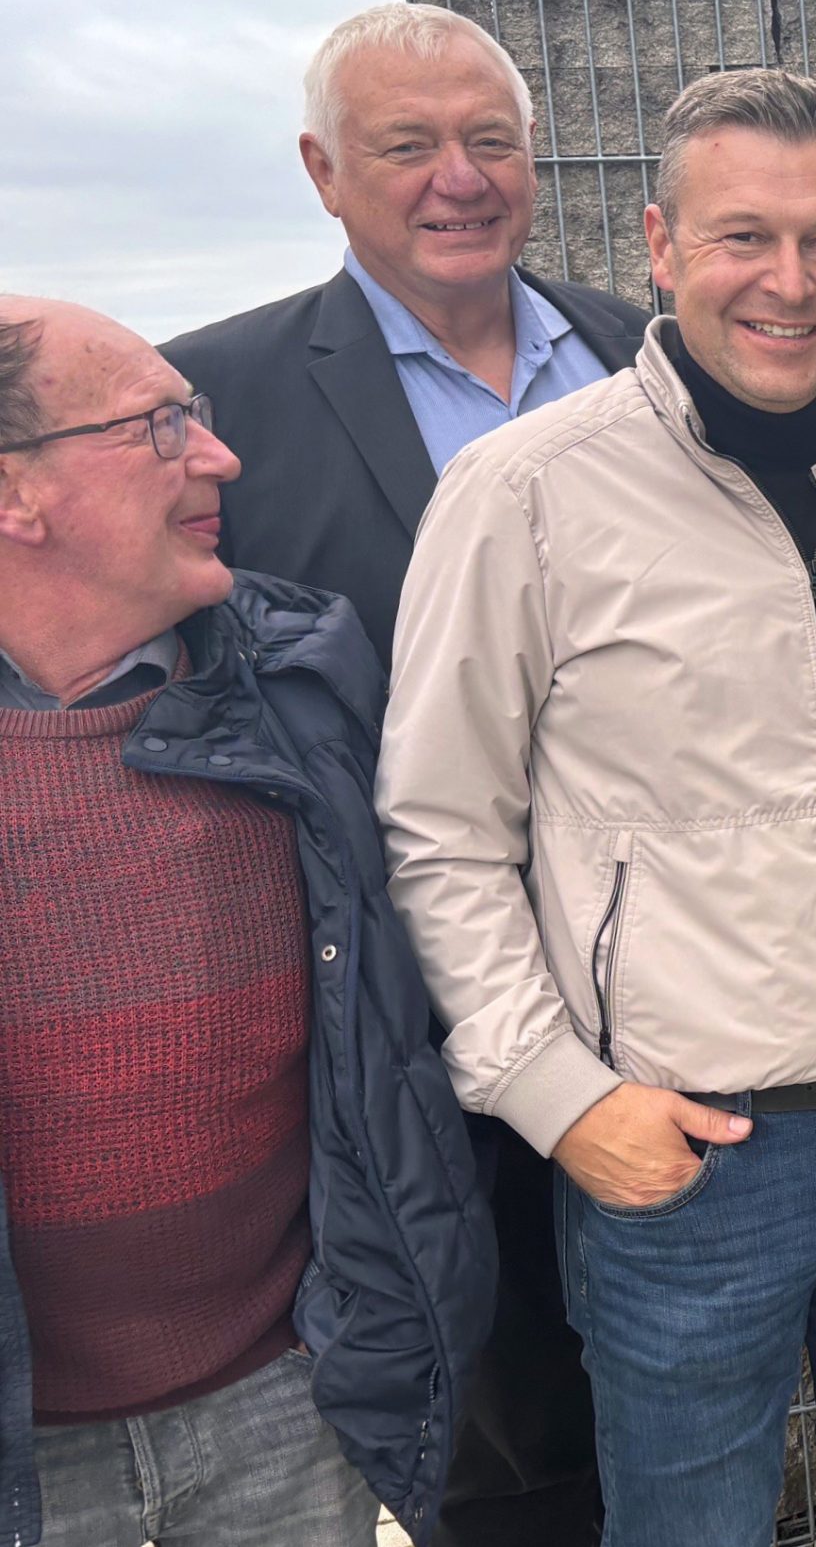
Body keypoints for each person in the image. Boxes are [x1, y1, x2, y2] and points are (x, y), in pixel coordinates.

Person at [373, 68, 816, 1547]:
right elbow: (440, 829)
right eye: (741, 238)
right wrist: (556, 1099)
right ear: (659, 244)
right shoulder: (523, 497)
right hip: (692, 1163)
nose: (790, 281)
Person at [162, 0, 645, 1547]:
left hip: (676, 982)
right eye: (408, 145)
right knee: (494, 1421)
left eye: (488, 139)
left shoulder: (655, 361)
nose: (459, 177)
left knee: (678, 1381)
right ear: (322, 170)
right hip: (410, 1013)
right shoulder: (217, 407)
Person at [0, 298, 494, 1546]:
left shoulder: (302, 684)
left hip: (287, 1401)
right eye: (161, 427)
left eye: (202, 419)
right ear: (16, 494)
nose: (220, 457)